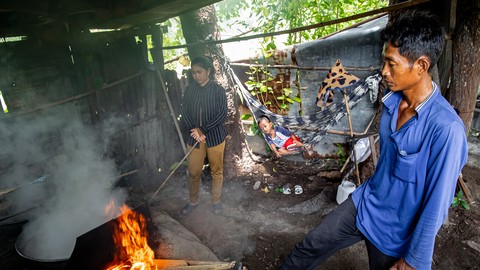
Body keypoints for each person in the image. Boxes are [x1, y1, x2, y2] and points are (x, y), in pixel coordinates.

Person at [280, 10, 468, 270]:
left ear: (421, 66)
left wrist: (414, 260)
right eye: (384, 62)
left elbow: (437, 203)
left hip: (396, 234)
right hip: (365, 204)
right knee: (309, 246)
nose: (384, 72)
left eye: (392, 64)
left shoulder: (446, 128)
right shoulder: (392, 103)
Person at [180, 55, 228, 215]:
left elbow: (222, 114)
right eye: (193, 73)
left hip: (215, 137)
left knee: (216, 171)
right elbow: (184, 112)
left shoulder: (218, 90)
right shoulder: (189, 90)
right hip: (194, 137)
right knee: (193, 172)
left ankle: (216, 202)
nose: (196, 76)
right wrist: (195, 131)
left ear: (208, 71)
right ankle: (193, 202)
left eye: (199, 72)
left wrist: (203, 130)